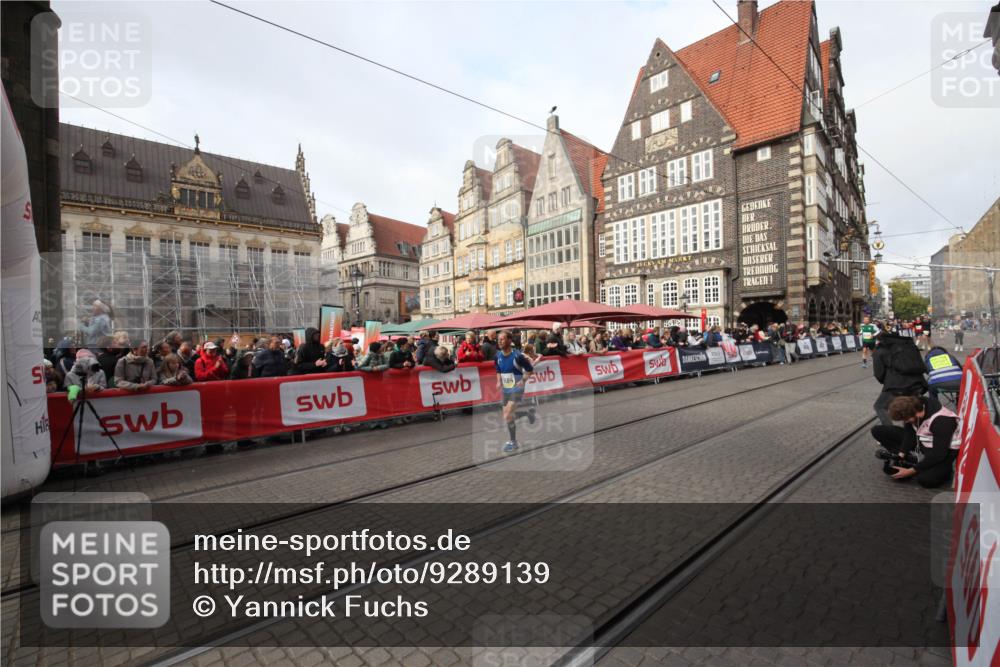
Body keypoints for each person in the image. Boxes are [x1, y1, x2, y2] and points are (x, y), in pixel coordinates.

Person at [871, 395, 959, 488]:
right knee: (878, 431)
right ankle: (910, 460)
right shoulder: (913, 407)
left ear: (917, 413)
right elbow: (910, 433)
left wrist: (911, 471)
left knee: (926, 480)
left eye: (906, 419)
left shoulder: (942, 421)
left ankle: (943, 470)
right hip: (923, 441)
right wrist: (901, 454)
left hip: (944, 451)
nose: (905, 422)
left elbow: (938, 454)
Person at [872, 331, 927, 426]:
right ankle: (917, 430)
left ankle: (890, 433)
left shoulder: (880, 349)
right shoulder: (908, 344)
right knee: (909, 407)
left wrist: (886, 381)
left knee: (880, 406)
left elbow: (878, 373)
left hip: (897, 386)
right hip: (918, 383)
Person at [494, 330, 535, 452]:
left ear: (509, 341)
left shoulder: (517, 356)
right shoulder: (497, 356)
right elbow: (498, 370)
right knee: (508, 417)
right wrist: (498, 381)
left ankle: (513, 442)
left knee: (507, 415)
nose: (499, 341)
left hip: (517, 388)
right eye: (498, 339)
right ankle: (528, 414)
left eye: (502, 339)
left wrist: (523, 380)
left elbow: (530, 370)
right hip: (506, 389)